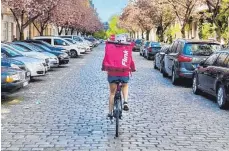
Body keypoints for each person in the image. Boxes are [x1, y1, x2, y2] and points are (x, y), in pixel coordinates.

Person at [105, 35, 136, 118]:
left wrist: (104, 68)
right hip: (124, 72)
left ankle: (110, 112)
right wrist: (132, 69)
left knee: (112, 93)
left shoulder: (110, 48)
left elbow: (106, 59)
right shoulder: (127, 49)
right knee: (125, 85)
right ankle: (125, 101)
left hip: (112, 73)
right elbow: (130, 61)